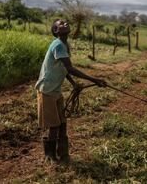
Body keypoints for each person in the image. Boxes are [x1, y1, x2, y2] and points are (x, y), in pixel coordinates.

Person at [35, 19, 106, 163]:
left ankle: (63, 154)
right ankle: (51, 156)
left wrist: (74, 83)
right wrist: (95, 80)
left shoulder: (65, 45)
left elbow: (63, 68)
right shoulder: (58, 45)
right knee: (54, 125)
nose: (65, 23)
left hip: (55, 90)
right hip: (47, 90)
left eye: (66, 22)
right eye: (61, 23)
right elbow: (70, 68)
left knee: (62, 123)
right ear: (56, 31)